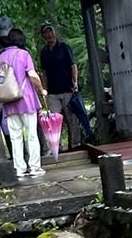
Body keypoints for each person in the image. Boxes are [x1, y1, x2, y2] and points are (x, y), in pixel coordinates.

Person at [0, 25, 47, 180]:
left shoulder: (1, 57)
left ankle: (19, 168)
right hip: (26, 100)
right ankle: (34, 167)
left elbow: (0, 78)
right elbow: (32, 75)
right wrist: (41, 89)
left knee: (15, 137)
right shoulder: (24, 54)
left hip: (9, 101)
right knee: (32, 135)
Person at [38, 22, 93, 150]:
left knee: (72, 119)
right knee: (54, 120)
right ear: (43, 36)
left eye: (50, 31)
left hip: (67, 89)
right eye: (45, 32)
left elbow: (73, 66)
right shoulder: (44, 52)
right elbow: (44, 72)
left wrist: (74, 83)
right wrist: (44, 90)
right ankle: (57, 146)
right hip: (52, 92)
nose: (48, 35)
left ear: (54, 32)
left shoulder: (64, 48)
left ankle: (75, 144)